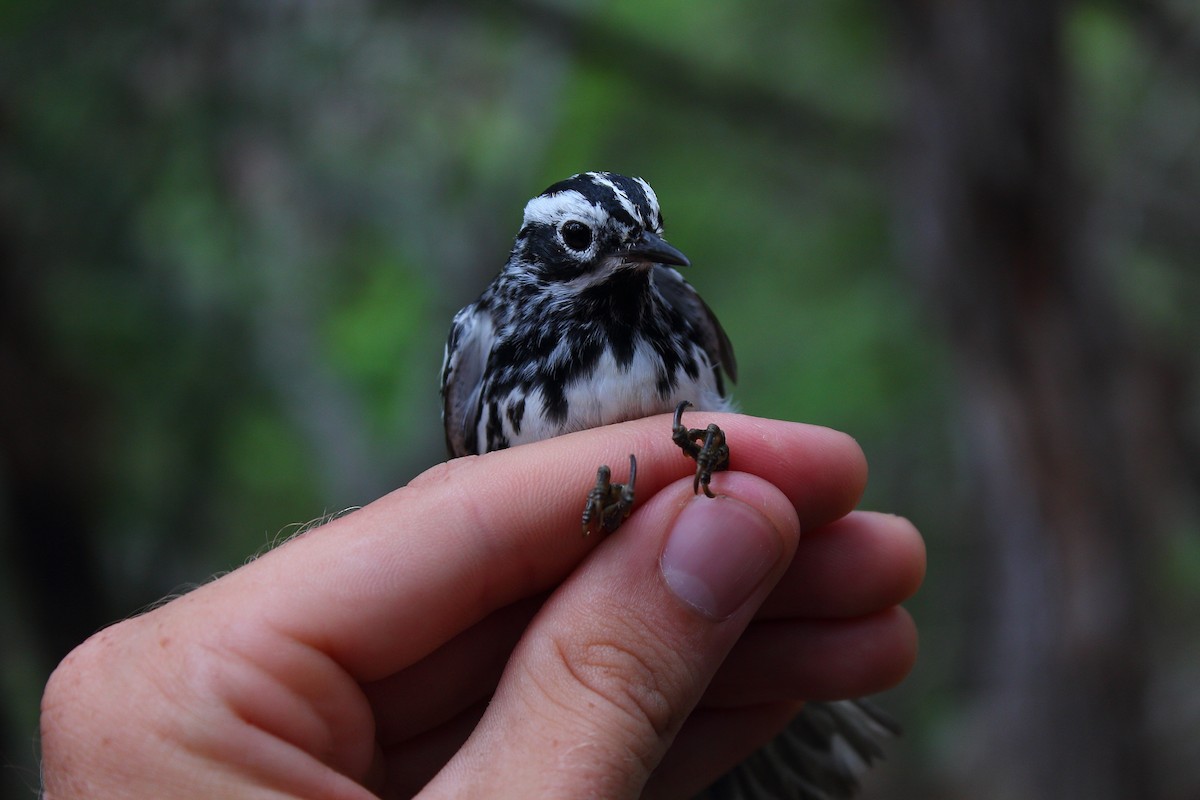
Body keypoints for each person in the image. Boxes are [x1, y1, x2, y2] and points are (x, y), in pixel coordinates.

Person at [39, 413, 925, 799]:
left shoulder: (674, 317)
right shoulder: (484, 340)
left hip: (708, 608)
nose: (640, 263)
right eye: (590, 244)